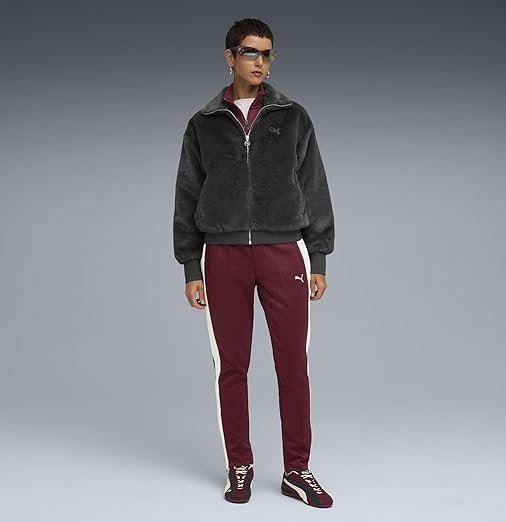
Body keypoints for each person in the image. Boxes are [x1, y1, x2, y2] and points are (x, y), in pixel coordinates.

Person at [173, 18, 335, 508]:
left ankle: (297, 470)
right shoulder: (203, 124)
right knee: (231, 367)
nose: (260, 62)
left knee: (293, 365)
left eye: (267, 53)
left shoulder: (293, 117)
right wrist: (191, 266)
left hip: (284, 252)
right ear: (229, 57)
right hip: (221, 256)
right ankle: (239, 465)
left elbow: (314, 186)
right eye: (250, 52)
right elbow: (187, 195)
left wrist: (318, 255)